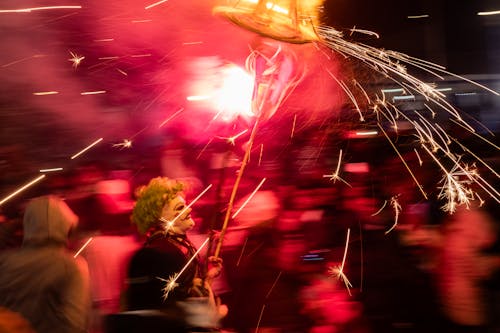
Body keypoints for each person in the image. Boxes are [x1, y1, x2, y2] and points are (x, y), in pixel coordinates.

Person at [121, 177, 225, 331]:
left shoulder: (174, 245)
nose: (189, 209)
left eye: (186, 205)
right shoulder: (161, 252)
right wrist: (209, 319)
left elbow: (183, 293)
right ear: (160, 218)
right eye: (179, 208)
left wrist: (207, 277)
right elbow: (169, 309)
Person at [0, 195, 91, 333]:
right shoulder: (71, 266)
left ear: (28, 224)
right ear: (66, 226)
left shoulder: (5, 261)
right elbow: (74, 324)